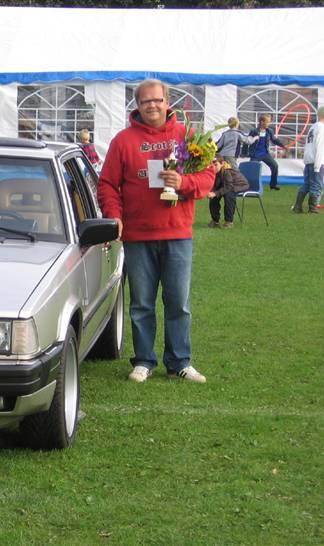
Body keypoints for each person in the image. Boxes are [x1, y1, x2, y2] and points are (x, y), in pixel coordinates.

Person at [97, 79, 215, 384]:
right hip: (138, 236)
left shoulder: (188, 136)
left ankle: (179, 362)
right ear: (137, 105)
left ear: (167, 102)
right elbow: (108, 184)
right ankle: (144, 361)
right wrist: (114, 215)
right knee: (141, 303)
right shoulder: (123, 141)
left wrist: (183, 184)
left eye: (157, 100)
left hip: (177, 233)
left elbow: (208, 176)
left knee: (178, 302)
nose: (152, 105)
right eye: (145, 101)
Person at [292, 106, 324, 214]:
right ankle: (312, 208)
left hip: (309, 160)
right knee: (317, 184)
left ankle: (297, 206)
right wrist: (318, 165)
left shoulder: (312, 127)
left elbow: (308, 145)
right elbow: (320, 147)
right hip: (316, 161)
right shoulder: (322, 128)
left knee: (307, 184)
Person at [207, 157, 249, 228]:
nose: (213, 167)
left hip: (240, 185)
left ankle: (229, 222)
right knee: (214, 196)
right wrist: (211, 192)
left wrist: (215, 193)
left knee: (228, 194)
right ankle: (215, 221)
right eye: (212, 165)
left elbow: (228, 187)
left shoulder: (227, 171)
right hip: (227, 185)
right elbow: (216, 185)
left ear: (222, 164)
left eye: (216, 165)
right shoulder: (215, 172)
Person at [248, 113, 287, 190]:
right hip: (255, 154)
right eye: (268, 122)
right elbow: (247, 142)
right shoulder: (253, 131)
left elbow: (274, 140)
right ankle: (250, 186)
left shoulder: (269, 131)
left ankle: (273, 184)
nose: (269, 123)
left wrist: (283, 146)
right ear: (262, 122)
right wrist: (244, 153)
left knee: (275, 166)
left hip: (265, 154)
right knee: (251, 170)